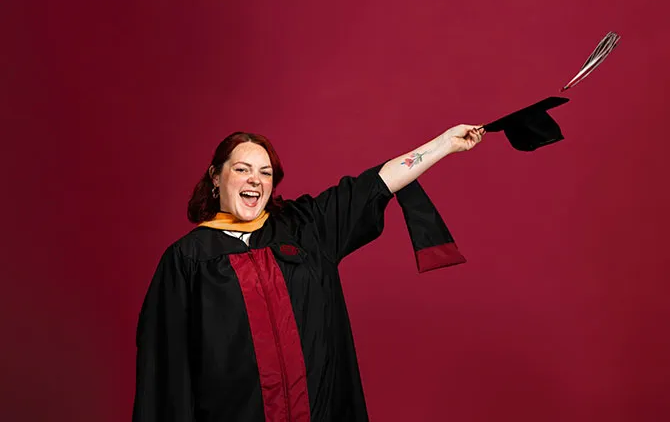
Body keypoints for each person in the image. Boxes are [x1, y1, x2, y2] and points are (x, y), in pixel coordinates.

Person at [132, 125, 485, 422]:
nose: (255, 179)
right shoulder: (187, 259)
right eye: (242, 169)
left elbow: (376, 184)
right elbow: (164, 370)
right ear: (215, 176)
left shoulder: (305, 230)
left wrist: (445, 144)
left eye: (265, 172)